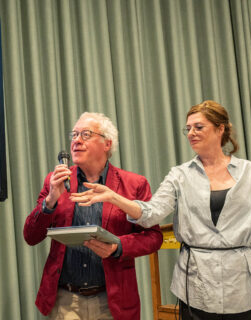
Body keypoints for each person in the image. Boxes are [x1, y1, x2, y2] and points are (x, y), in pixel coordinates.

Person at [71, 100, 251, 319]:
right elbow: (150, 214)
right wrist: (114, 197)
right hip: (197, 287)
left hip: (244, 287)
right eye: (188, 128)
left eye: (198, 127)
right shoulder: (180, 175)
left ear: (220, 129)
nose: (191, 133)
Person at [23, 112, 163, 320]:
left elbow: (153, 237)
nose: (76, 141)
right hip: (65, 300)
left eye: (86, 134)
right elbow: (31, 236)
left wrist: (118, 247)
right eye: (74, 135)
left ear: (107, 144)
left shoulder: (134, 184)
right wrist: (50, 200)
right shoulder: (56, 182)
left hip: (113, 300)